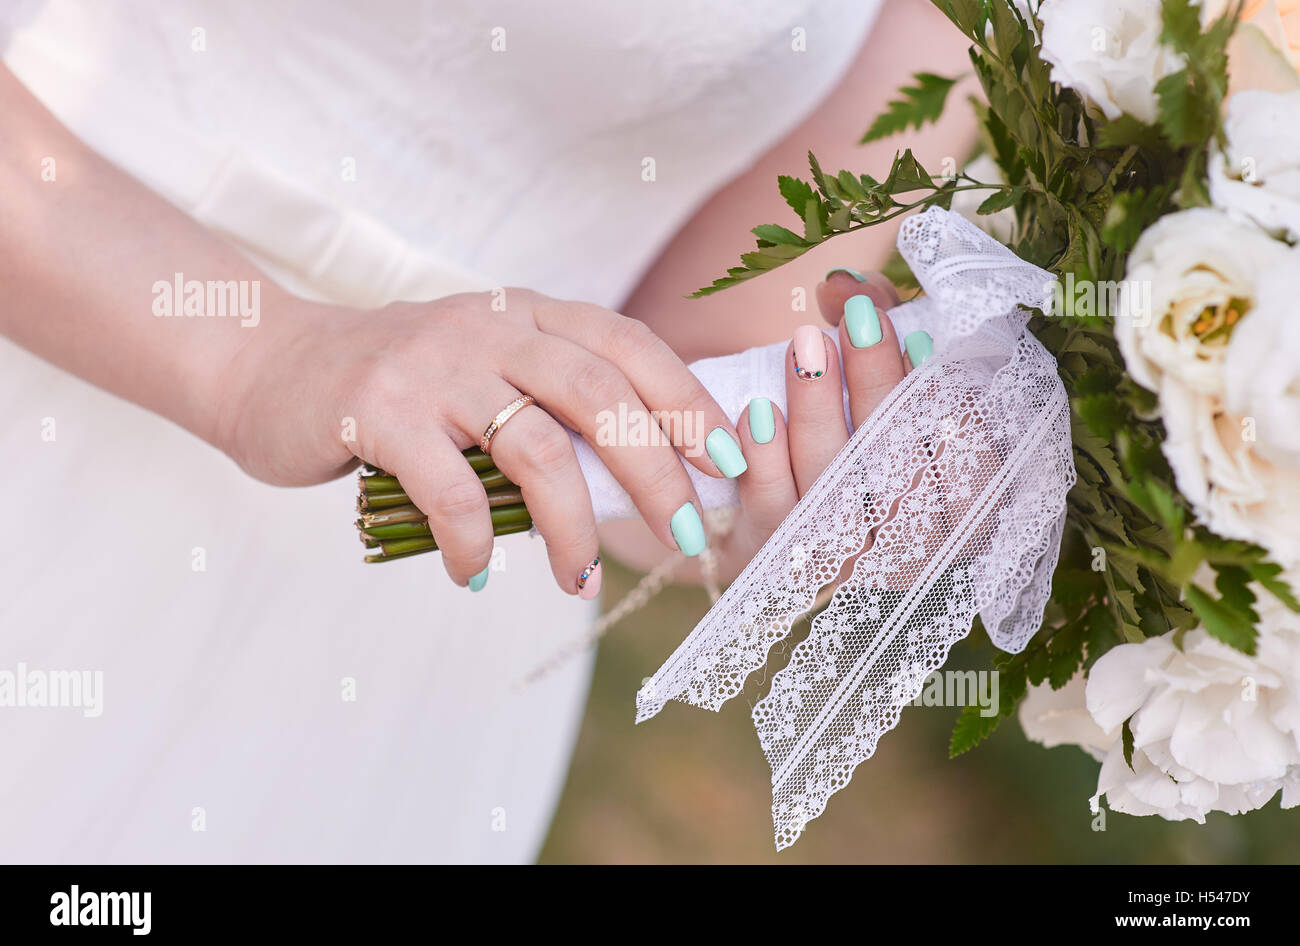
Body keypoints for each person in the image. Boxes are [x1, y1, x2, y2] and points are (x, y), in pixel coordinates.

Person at [0, 1, 972, 862]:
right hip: (69, 351)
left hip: (426, 641)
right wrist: (261, 356)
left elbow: (679, 390)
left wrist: (765, 494)